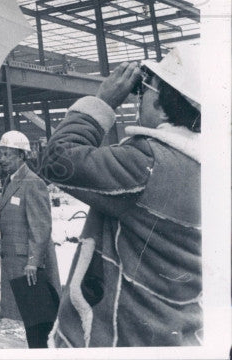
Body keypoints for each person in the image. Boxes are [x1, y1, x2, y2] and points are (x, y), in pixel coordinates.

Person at [40, 46, 202, 348]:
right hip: (175, 332)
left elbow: (58, 161)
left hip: (121, 337)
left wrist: (102, 103)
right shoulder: (206, 166)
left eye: (143, 90)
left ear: (163, 99)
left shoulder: (146, 164)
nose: (139, 99)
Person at [0, 130, 61, 349]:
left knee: (39, 328)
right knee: (33, 325)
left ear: (21, 156)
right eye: (0, 154)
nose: (1, 159)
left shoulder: (32, 183)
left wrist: (33, 262)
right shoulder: (11, 181)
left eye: (6, 154)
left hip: (31, 270)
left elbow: (41, 227)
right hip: (20, 267)